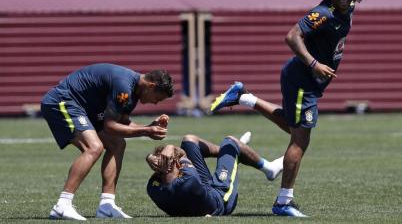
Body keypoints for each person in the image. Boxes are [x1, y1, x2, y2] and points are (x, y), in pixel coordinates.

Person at [210, 0, 369, 217]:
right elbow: (292, 36)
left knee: (295, 128)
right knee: (300, 139)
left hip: (310, 84)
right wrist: (314, 63)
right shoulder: (323, 13)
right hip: (302, 81)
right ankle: (283, 202)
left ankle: (243, 97)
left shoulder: (349, 8)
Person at [41, 63, 174, 220]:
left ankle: (107, 205)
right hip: (63, 101)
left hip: (84, 109)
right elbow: (110, 127)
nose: (155, 103)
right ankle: (62, 205)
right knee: (94, 147)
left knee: (117, 144)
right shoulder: (124, 86)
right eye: (157, 99)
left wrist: (149, 127)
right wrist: (146, 131)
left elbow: (122, 122)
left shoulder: (133, 92)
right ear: (151, 86)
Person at [145, 132, 284, 216]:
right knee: (230, 142)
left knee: (189, 140)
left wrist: (150, 157)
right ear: (176, 164)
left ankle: (234, 151)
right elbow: (182, 154)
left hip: (199, 195)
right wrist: (170, 147)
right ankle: (268, 168)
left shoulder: (153, 188)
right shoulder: (188, 180)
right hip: (219, 198)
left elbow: (165, 172)